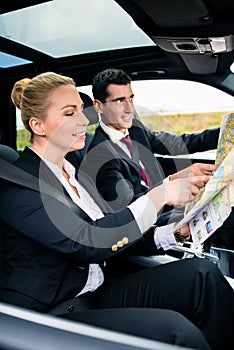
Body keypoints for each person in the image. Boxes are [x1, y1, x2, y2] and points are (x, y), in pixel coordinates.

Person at [0, 72, 233, 350]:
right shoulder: (16, 185)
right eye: (69, 113)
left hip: (99, 287)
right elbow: (88, 240)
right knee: (176, 332)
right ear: (37, 125)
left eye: (81, 111)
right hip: (54, 312)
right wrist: (160, 195)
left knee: (201, 275)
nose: (84, 121)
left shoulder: (75, 174)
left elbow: (112, 227)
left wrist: (170, 234)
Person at [81, 68, 233, 252]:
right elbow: (128, 207)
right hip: (151, 220)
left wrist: (226, 130)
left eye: (131, 98)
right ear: (98, 106)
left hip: (171, 205)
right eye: (119, 101)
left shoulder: (135, 129)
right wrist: (172, 182)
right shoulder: (98, 157)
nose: (129, 108)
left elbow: (178, 143)